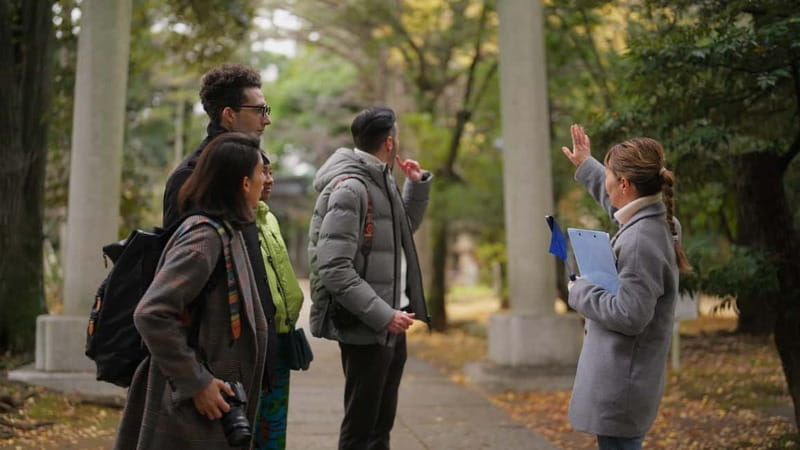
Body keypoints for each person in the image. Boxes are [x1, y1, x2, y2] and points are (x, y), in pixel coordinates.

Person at [114, 133, 269, 449]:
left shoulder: (228, 230)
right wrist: (196, 382)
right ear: (243, 183)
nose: (266, 181)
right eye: (260, 173)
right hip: (187, 409)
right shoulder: (203, 240)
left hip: (213, 407)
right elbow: (152, 313)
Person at [560, 124, 692, 450]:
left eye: (608, 176)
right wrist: (587, 165)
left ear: (624, 184)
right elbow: (622, 211)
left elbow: (631, 315)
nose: (606, 184)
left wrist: (580, 290)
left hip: (622, 387)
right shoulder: (657, 220)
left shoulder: (639, 242)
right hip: (628, 384)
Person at [308, 106, 432, 450]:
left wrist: (416, 187)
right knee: (361, 426)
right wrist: (383, 314)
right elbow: (334, 267)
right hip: (369, 322)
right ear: (389, 142)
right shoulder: (351, 187)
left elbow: (400, 232)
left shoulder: (380, 178)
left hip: (392, 318)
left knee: (380, 424)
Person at [162, 63, 279, 394]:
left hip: (257, 349)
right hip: (215, 361)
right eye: (259, 110)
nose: (266, 120)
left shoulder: (255, 171)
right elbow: (175, 286)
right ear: (228, 115)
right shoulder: (192, 177)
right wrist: (194, 379)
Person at [253, 153, 305, 450]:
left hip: (282, 336)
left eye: (271, 173)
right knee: (253, 423)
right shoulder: (237, 222)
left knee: (275, 424)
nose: (269, 180)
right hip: (258, 340)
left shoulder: (269, 217)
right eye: (263, 173)